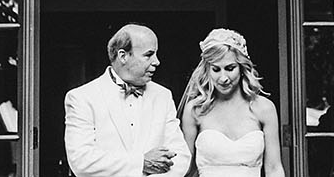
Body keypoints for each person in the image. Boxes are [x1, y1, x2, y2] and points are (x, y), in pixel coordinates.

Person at [65, 24, 190, 177]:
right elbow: (82, 160)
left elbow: (180, 156)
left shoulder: (162, 96)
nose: (157, 61)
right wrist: (141, 163)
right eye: (148, 55)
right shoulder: (82, 98)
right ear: (123, 56)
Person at [179, 29, 283, 177]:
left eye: (230, 68)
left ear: (242, 68)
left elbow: (274, 169)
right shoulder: (195, 110)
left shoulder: (264, 109)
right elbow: (184, 169)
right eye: (216, 69)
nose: (223, 78)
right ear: (207, 71)